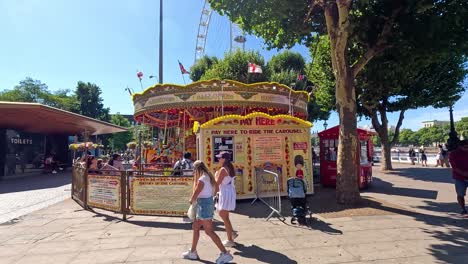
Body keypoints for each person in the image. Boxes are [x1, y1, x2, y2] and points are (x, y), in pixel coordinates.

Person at [182, 160, 233, 264]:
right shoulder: (207, 177)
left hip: (203, 206)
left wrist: (191, 201)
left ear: (197, 169)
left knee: (209, 231)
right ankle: (193, 252)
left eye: (194, 170)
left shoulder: (202, 179)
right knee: (196, 227)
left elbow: (195, 194)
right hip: (206, 204)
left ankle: (225, 253)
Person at [214, 151, 238, 247]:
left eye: (220, 158)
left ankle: (230, 239)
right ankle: (231, 234)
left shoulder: (223, 169)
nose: (218, 159)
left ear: (224, 159)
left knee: (223, 215)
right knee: (225, 215)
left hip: (225, 192)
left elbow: (217, 183)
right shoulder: (230, 167)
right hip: (228, 192)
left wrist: (215, 176)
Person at [448, 140, 468, 215]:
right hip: (459, 177)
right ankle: (463, 208)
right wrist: (463, 173)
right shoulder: (453, 154)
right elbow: (454, 166)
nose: (467, 148)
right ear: (460, 146)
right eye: (465, 147)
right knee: (460, 194)